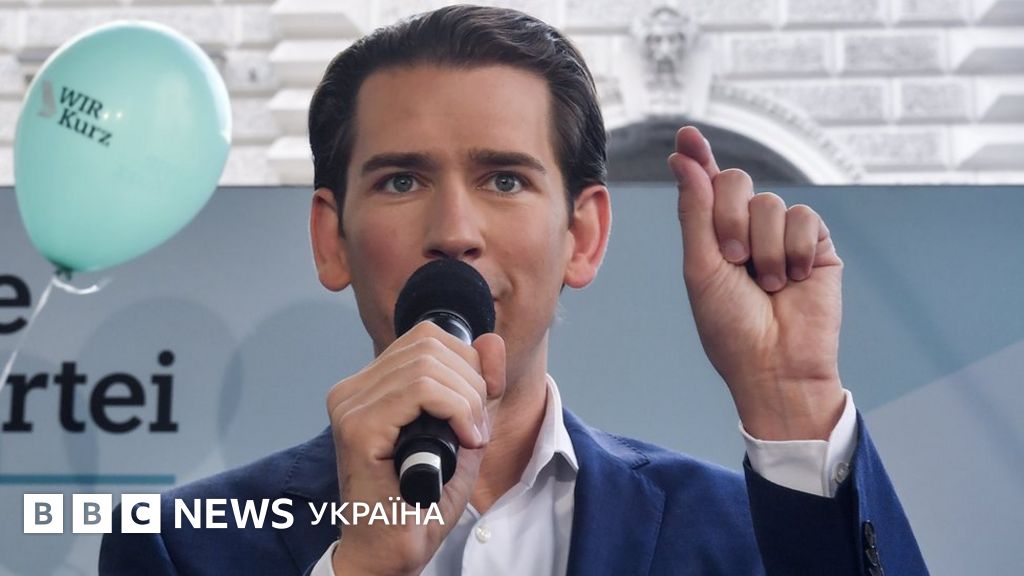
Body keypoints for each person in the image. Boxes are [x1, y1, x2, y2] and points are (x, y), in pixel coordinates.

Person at [100, 5, 928, 575]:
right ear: (331, 237)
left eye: (504, 179)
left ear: (583, 235)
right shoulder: (181, 548)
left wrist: (791, 402)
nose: (455, 230)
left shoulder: (744, 535)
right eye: (400, 181)